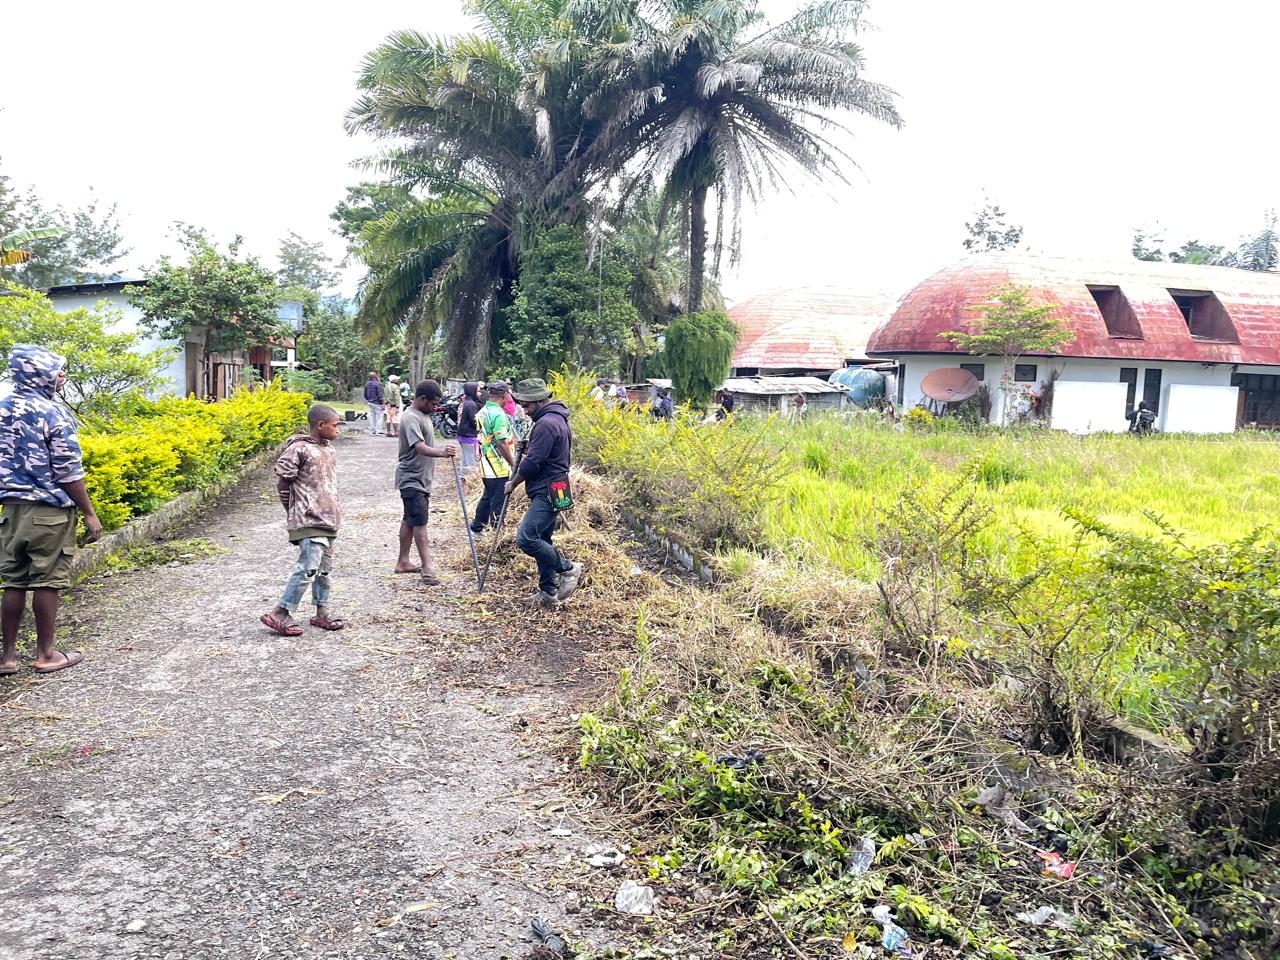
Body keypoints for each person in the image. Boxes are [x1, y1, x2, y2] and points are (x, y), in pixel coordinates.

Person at [0, 345, 103, 676]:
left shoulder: (2, 409)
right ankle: (46, 654)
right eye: (55, 370)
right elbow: (68, 471)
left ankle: (7, 658)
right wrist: (88, 512)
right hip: (47, 511)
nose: (61, 376)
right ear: (37, 373)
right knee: (47, 581)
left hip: (10, 511)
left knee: (14, 581)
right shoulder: (52, 413)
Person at [260, 405, 345, 636]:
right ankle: (280, 612)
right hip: (308, 520)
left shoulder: (329, 450)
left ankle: (321, 612)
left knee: (324, 571)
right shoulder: (298, 449)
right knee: (307, 568)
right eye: (335, 425)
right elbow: (283, 482)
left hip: (328, 521)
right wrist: (292, 510)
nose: (338, 430)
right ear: (320, 425)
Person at [505, 378, 582, 608]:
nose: (525, 411)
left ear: (540, 400)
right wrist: (528, 448)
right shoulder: (557, 419)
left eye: (527, 406)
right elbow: (547, 452)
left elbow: (532, 464)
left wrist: (513, 483)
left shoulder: (546, 424)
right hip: (557, 487)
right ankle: (548, 592)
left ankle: (568, 568)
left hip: (547, 489)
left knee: (526, 538)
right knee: (543, 538)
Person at [396, 380, 458, 584]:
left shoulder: (423, 415)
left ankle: (403, 561)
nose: (435, 408)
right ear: (422, 399)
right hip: (412, 478)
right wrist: (442, 453)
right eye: (433, 404)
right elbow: (419, 447)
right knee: (420, 522)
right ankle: (427, 567)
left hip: (421, 478)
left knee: (410, 519)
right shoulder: (411, 417)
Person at [471, 380, 516, 533]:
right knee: (498, 500)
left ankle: (477, 526)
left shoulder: (483, 411)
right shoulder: (498, 414)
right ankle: (498, 531)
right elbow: (502, 442)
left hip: (486, 463)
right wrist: (512, 462)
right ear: (504, 396)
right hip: (498, 465)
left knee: (488, 496)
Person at [457, 381, 481, 473]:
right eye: (478, 391)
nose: (480, 393)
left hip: (462, 436)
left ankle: (461, 481)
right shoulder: (471, 405)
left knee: (465, 461)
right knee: (471, 464)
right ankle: (469, 482)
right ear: (472, 391)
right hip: (469, 437)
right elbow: (474, 422)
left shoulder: (464, 402)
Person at [363, 371, 385, 436]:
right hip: (377, 402)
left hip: (370, 402)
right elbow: (379, 395)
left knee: (372, 417)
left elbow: (365, 394)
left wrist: (368, 399)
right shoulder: (377, 384)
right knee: (380, 416)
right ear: (375, 377)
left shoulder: (366, 384)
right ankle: (379, 431)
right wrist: (382, 403)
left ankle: (372, 430)